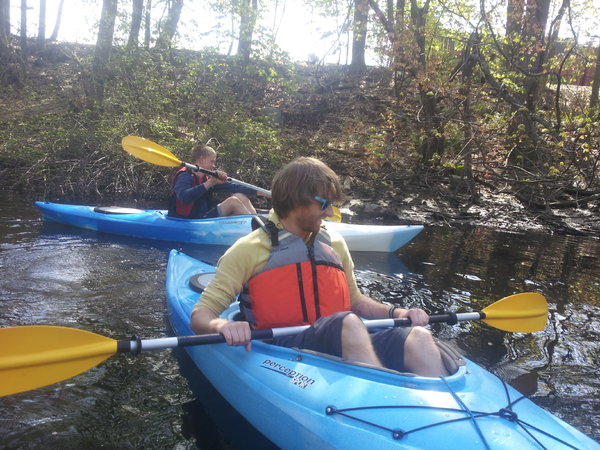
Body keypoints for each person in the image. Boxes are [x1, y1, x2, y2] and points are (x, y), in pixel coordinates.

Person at [190, 157, 449, 377]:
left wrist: (398, 312)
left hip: (341, 338)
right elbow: (201, 315)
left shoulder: (333, 242)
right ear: (296, 200)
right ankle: (382, 399)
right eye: (324, 204)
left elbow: (355, 301)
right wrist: (221, 326)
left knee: (418, 337)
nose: (329, 213)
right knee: (348, 323)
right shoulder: (248, 249)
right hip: (284, 348)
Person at [167, 144, 258, 219]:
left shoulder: (206, 177)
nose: (214, 165)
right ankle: (254, 227)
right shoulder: (184, 176)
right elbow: (184, 197)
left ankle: (256, 224)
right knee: (233, 201)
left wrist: (257, 191)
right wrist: (209, 183)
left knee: (240, 195)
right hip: (188, 220)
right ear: (201, 160)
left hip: (204, 217)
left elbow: (233, 187)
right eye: (212, 161)